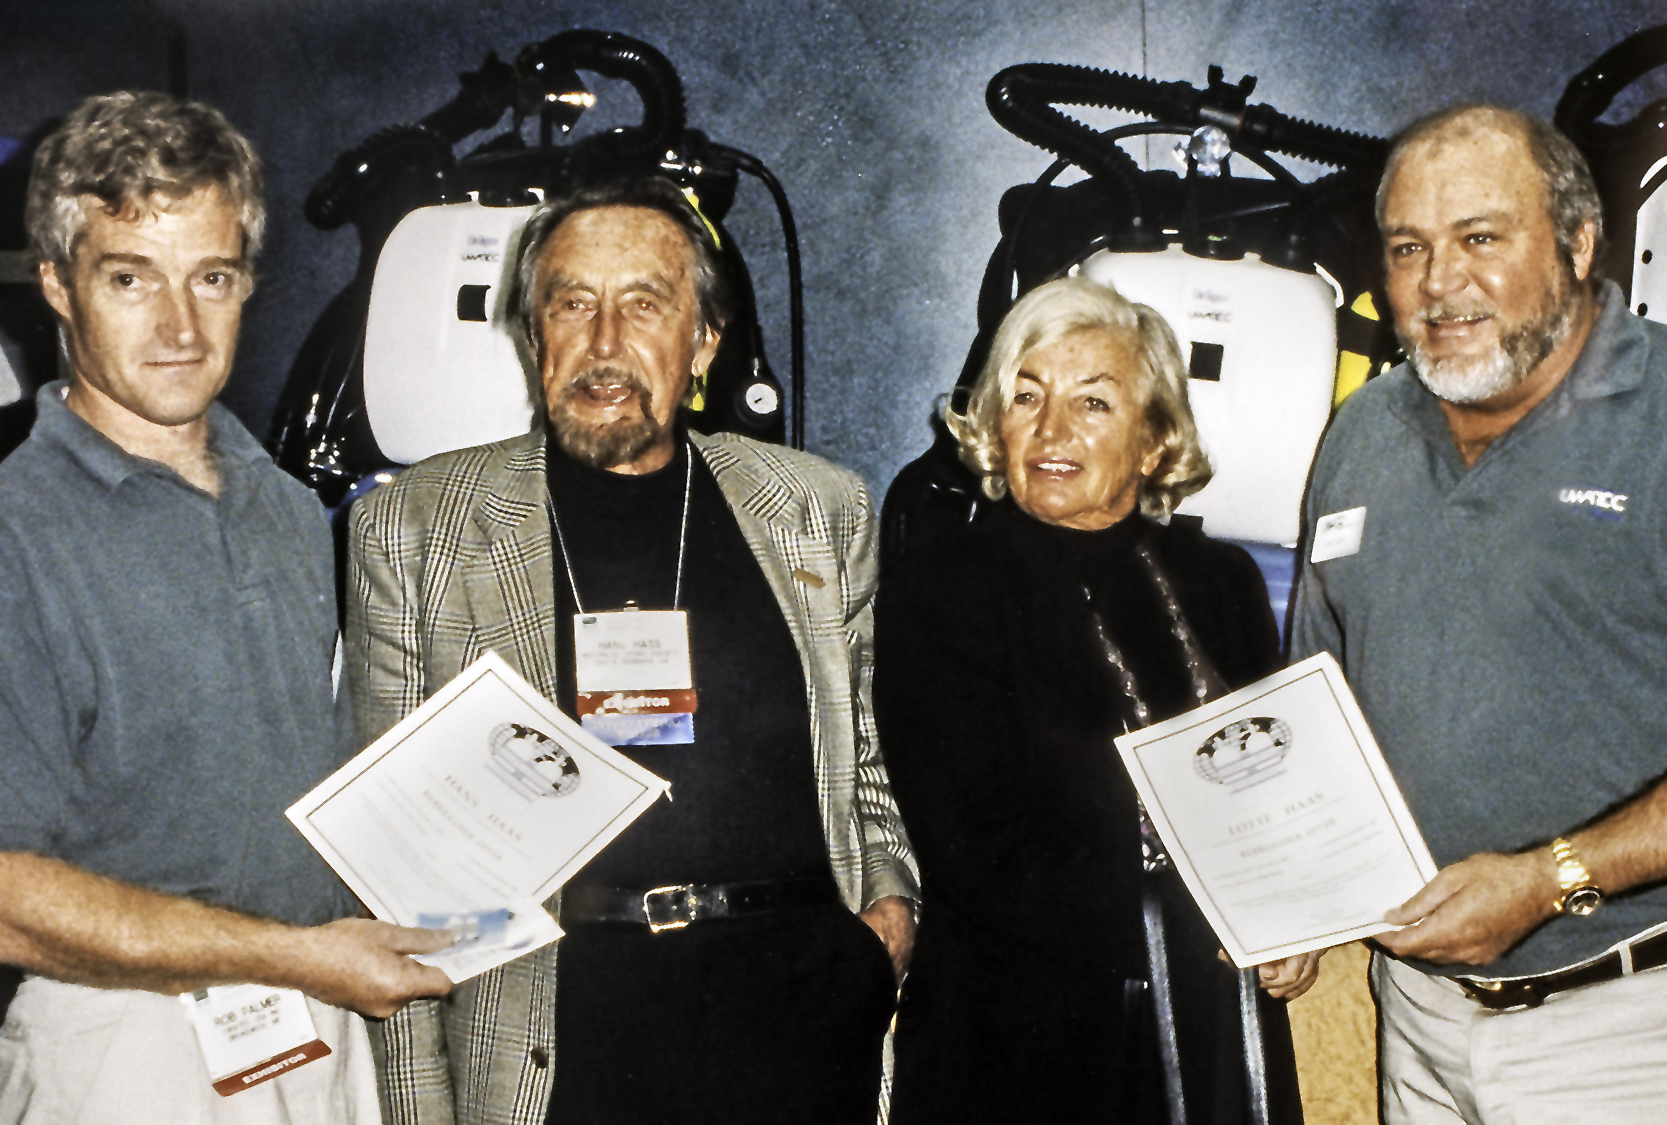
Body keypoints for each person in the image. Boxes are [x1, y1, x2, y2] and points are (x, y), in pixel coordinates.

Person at [346, 175, 918, 1125]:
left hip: (799, 1022)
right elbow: (393, 871)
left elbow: (865, 756)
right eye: (572, 303)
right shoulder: (416, 527)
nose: (603, 344)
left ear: (703, 341)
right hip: (555, 1027)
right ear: (533, 336)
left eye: (643, 304)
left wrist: (887, 919)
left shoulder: (818, 508)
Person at [0, 92, 453, 1124]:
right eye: (130, 278)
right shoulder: (15, 530)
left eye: (211, 278)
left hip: (322, 1023)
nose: (178, 327)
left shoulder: (289, 509)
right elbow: (8, 900)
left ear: (247, 282)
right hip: (124, 1052)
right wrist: (293, 954)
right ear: (58, 287)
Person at [1292, 104, 1667, 1123]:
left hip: (1627, 1021)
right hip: (1417, 1018)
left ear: (1579, 243)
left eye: (1480, 239)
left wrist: (1552, 881)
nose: (1438, 283)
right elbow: (1314, 707)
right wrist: (1288, 896)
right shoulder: (1359, 431)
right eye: (1408, 247)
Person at [874, 275, 1310, 1124]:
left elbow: (1281, 792)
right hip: (1018, 1039)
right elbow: (977, 850)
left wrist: (1290, 917)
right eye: (1025, 396)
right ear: (993, 424)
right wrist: (1209, 917)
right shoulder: (941, 588)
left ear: (1153, 441)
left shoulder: (1221, 583)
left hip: (1209, 1022)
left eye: (1094, 403)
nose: (1051, 430)